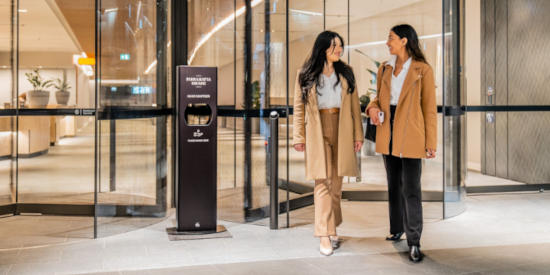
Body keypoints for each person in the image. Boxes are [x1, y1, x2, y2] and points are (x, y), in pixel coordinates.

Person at [366, 24, 437, 263]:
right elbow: (377, 98)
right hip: (388, 130)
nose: (388, 42)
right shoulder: (385, 68)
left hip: (412, 132)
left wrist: (431, 142)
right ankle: (397, 228)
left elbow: (429, 108)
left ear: (405, 41)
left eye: (391, 38)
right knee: (393, 184)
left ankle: (414, 240)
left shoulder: (422, 70)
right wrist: (373, 108)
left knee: (411, 188)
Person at [293, 31, 363, 256]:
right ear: (323, 48)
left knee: (337, 184)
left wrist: (358, 136)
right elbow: (298, 108)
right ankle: (324, 233)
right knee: (322, 182)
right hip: (317, 129)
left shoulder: (346, 73)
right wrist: (298, 137)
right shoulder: (305, 74)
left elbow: (354, 108)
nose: (339, 50)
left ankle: (332, 225)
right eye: (335, 46)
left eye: (341, 46)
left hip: (341, 127)